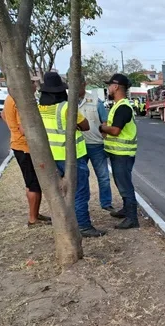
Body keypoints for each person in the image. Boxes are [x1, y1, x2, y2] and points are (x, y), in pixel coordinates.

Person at [38, 71, 106, 238]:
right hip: (71, 157)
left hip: (50, 158)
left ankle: (64, 224)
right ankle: (83, 226)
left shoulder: (39, 109)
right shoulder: (66, 107)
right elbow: (85, 126)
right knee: (80, 192)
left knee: (60, 194)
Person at [2, 80, 51, 227]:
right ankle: (32, 219)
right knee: (33, 184)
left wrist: (13, 130)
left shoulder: (10, 98)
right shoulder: (20, 102)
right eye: (33, 82)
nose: (36, 86)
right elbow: (25, 129)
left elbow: (3, 115)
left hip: (20, 145)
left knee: (33, 183)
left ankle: (35, 214)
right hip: (25, 147)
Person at [100, 73, 139, 229]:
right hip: (118, 154)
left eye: (109, 85)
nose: (108, 88)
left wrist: (103, 127)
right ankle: (126, 210)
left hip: (123, 154)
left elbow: (115, 130)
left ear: (115, 87)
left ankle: (132, 218)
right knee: (121, 183)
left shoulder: (123, 107)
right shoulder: (117, 105)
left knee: (125, 186)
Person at [78, 76, 115, 213]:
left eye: (78, 84)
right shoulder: (68, 103)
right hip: (78, 145)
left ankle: (106, 202)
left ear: (84, 84)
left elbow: (104, 123)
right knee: (81, 177)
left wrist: (106, 141)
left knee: (103, 176)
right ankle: (82, 203)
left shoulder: (96, 101)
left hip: (96, 144)